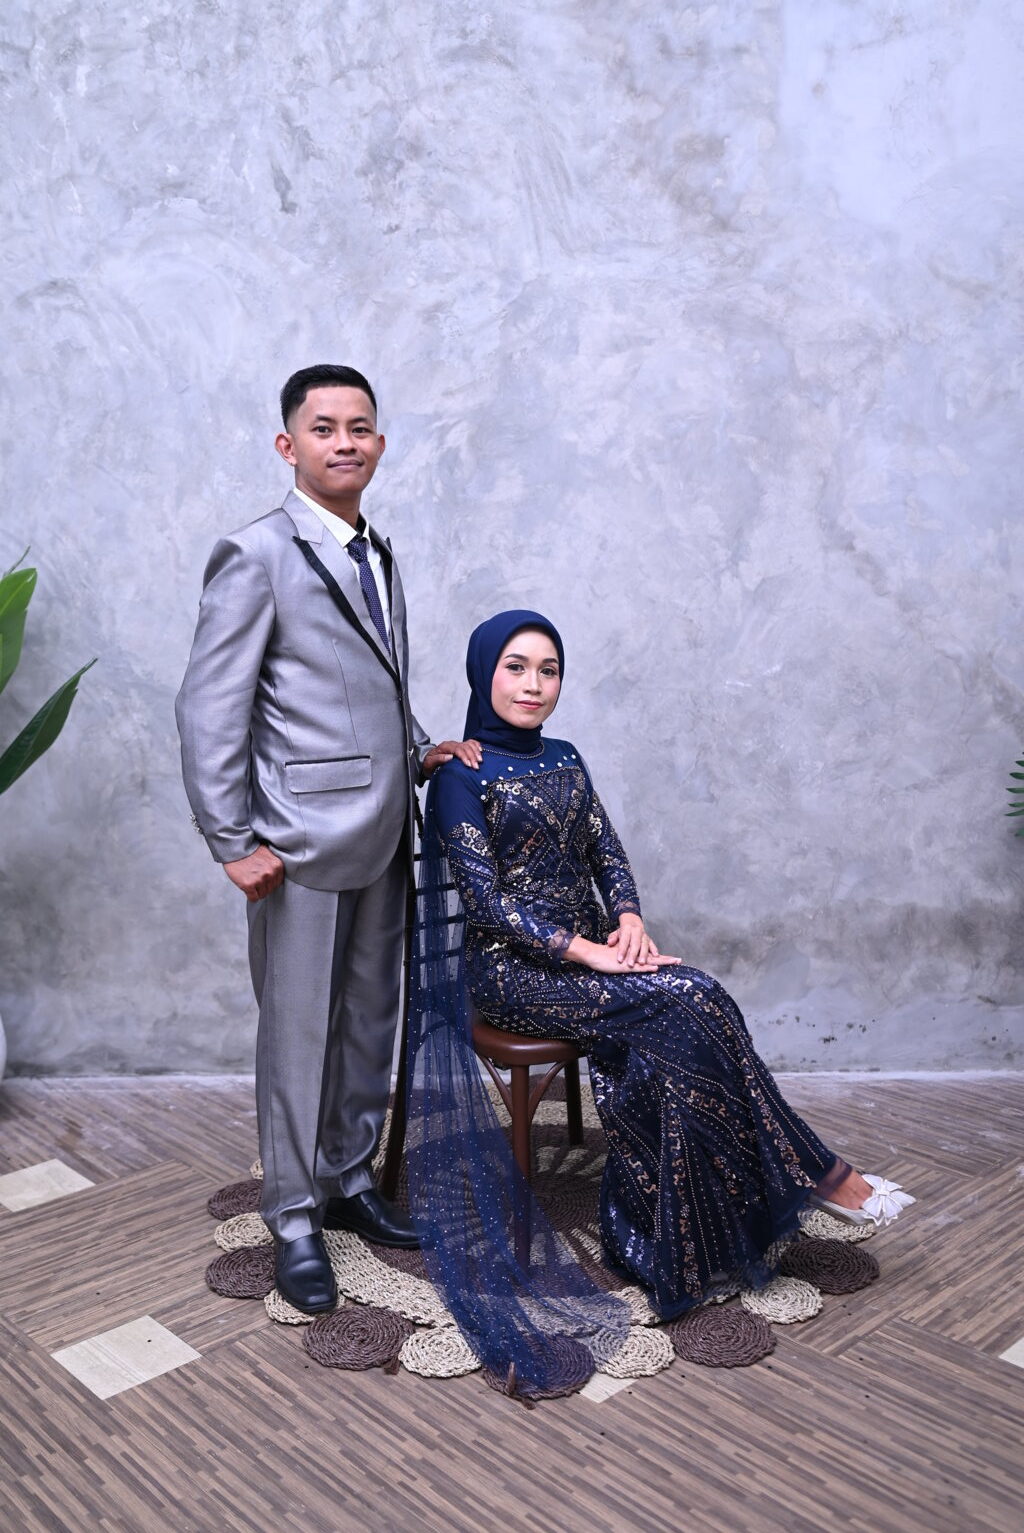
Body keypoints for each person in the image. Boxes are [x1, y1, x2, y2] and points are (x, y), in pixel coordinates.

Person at [405, 609, 913, 1390]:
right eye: (515, 667)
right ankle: (817, 1172)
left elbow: (606, 851)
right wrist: (591, 951)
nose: (534, 684)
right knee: (693, 996)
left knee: (694, 1004)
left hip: (595, 955)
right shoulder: (458, 776)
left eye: (548, 669)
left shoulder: (566, 757)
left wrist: (631, 920)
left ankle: (685, 1234)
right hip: (514, 973)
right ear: (483, 673)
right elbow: (487, 904)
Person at [175, 365, 480, 1314]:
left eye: (360, 427)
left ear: (379, 443)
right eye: (323, 427)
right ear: (288, 445)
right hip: (297, 839)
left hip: (384, 830)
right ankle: (294, 1211)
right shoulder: (255, 553)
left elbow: (370, 680)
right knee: (299, 1029)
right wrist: (231, 838)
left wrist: (420, 748)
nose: (344, 442)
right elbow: (209, 708)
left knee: (367, 1020)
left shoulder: (374, 548)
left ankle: (348, 1179)